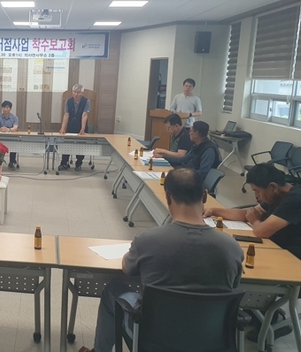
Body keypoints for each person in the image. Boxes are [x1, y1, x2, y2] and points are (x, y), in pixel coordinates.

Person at [82, 168, 243, 352]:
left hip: (153, 337)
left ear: (167, 197)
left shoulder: (147, 240)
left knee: (113, 289)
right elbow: (233, 285)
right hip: (210, 339)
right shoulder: (232, 248)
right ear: (205, 196)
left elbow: (127, 268)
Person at [205, 163, 301, 259]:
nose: (256, 196)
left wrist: (255, 221)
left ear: (273, 187)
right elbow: (249, 214)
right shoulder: (274, 195)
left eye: (257, 191)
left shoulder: (294, 199)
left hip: (292, 254)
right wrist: (213, 211)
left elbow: (261, 231)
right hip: (276, 245)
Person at [59, 84, 90, 171]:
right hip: (71, 126)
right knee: (67, 145)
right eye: (74, 92)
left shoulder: (86, 101)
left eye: (78, 92)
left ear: (82, 93)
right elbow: (66, 114)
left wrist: (83, 128)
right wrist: (63, 128)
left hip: (81, 126)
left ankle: (78, 164)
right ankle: (64, 163)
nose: (76, 94)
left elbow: (84, 115)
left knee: (81, 146)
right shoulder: (68, 101)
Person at [0, 100, 19, 170]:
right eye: (4, 107)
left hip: (11, 137)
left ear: (10, 109)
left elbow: (15, 127)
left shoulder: (15, 118)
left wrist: (8, 130)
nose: (5, 109)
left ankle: (11, 162)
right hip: (1, 137)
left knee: (13, 145)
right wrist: (1, 129)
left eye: (7, 107)